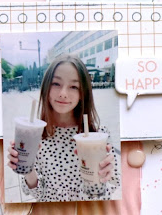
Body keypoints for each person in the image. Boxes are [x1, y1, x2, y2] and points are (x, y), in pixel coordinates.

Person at [7, 54, 118, 202]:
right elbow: (38, 194)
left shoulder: (98, 135)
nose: (63, 94)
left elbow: (109, 191)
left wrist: (101, 179)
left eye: (73, 86)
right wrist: (28, 166)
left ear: (82, 93)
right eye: (56, 84)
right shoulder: (36, 134)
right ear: (46, 87)